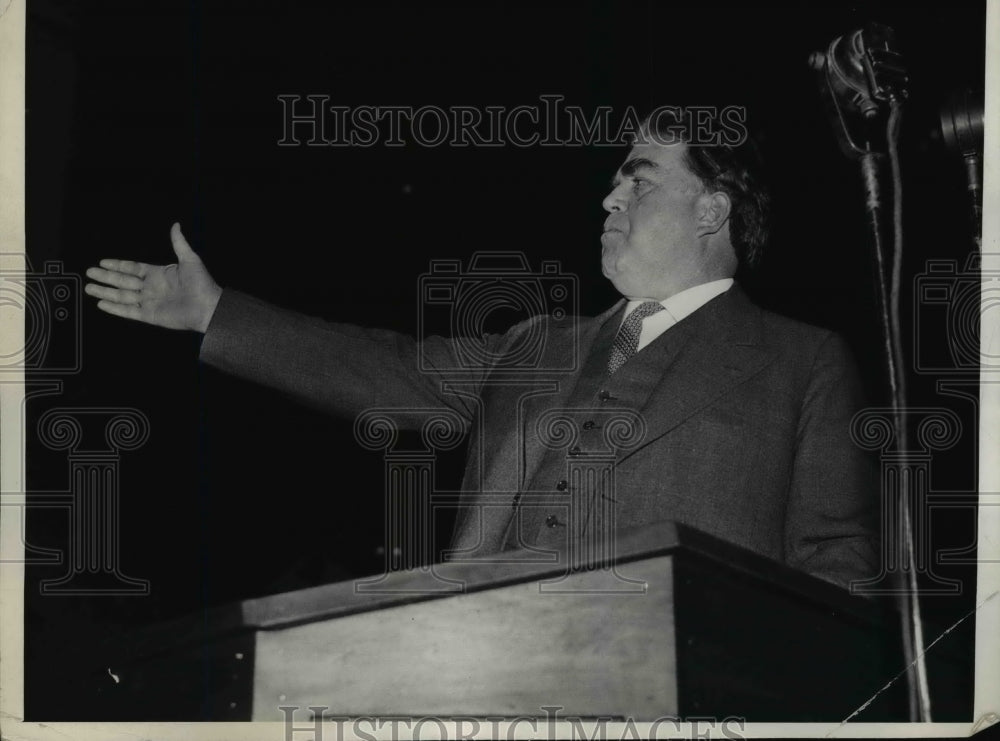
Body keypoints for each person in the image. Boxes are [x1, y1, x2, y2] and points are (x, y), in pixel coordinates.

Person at [84, 110, 878, 590]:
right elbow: (385, 367)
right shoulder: (536, 344)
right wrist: (216, 312)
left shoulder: (803, 364)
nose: (608, 196)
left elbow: (837, 579)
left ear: (712, 209)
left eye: (637, 181)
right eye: (612, 180)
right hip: (486, 679)